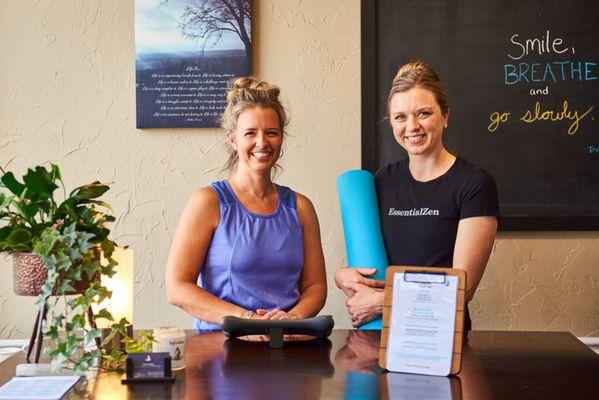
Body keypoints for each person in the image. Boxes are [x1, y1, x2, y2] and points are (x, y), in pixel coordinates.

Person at [335, 61, 498, 330]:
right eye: (400, 117)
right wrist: (342, 276)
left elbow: (462, 290)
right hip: (386, 335)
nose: (412, 126)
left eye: (423, 113)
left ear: (445, 116)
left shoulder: (475, 184)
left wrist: (379, 302)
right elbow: (373, 267)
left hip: (442, 335)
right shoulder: (383, 180)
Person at [166, 77, 327, 330]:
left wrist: (291, 319)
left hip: (285, 344)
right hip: (221, 349)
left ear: (281, 138)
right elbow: (177, 288)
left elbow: (315, 287)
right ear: (233, 139)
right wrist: (247, 321)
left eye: (271, 133)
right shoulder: (208, 202)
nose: (262, 143)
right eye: (250, 133)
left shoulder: (301, 207)